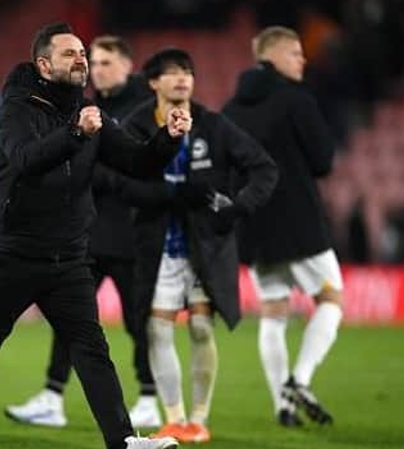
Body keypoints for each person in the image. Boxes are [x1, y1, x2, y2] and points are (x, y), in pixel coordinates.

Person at [0, 22, 192, 449]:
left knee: (93, 352)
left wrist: (167, 139)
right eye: (69, 54)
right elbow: (23, 159)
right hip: (13, 255)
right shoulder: (19, 106)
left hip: (68, 259)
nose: (81, 59)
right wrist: (76, 132)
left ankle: (124, 441)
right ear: (43, 64)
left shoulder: (86, 108)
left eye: (82, 52)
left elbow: (136, 160)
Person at [4, 35, 161, 429]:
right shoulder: (83, 107)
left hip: (130, 233)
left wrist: (99, 173)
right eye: (97, 61)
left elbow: (146, 170)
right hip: (89, 234)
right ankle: (53, 395)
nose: (98, 68)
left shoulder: (142, 112)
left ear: (127, 66)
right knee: (72, 319)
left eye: (107, 62)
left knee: (137, 319)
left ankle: (149, 396)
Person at [122, 48, 277, 443]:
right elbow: (122, 182)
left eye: (188, 72)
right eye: (172, 73)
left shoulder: (213, 125)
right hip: (157, 248)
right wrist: (173, 193)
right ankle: (173, 417)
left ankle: (199, 419)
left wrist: (239, 207)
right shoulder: (137, 125)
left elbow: (263, 168)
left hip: (204, 246)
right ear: (153, 82)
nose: (182, 79)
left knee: (203, 330)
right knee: (157, 331)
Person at [222, 26, 342, 427]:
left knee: (273, 313)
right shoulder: (295, 100)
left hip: (254, 227)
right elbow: (324, 160)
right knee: (331, 299)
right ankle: (300, 381)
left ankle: (282, 405)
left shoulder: (230, 110)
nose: (302, 59)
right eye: (294, 52)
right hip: (300, 222)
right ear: (272, 58)